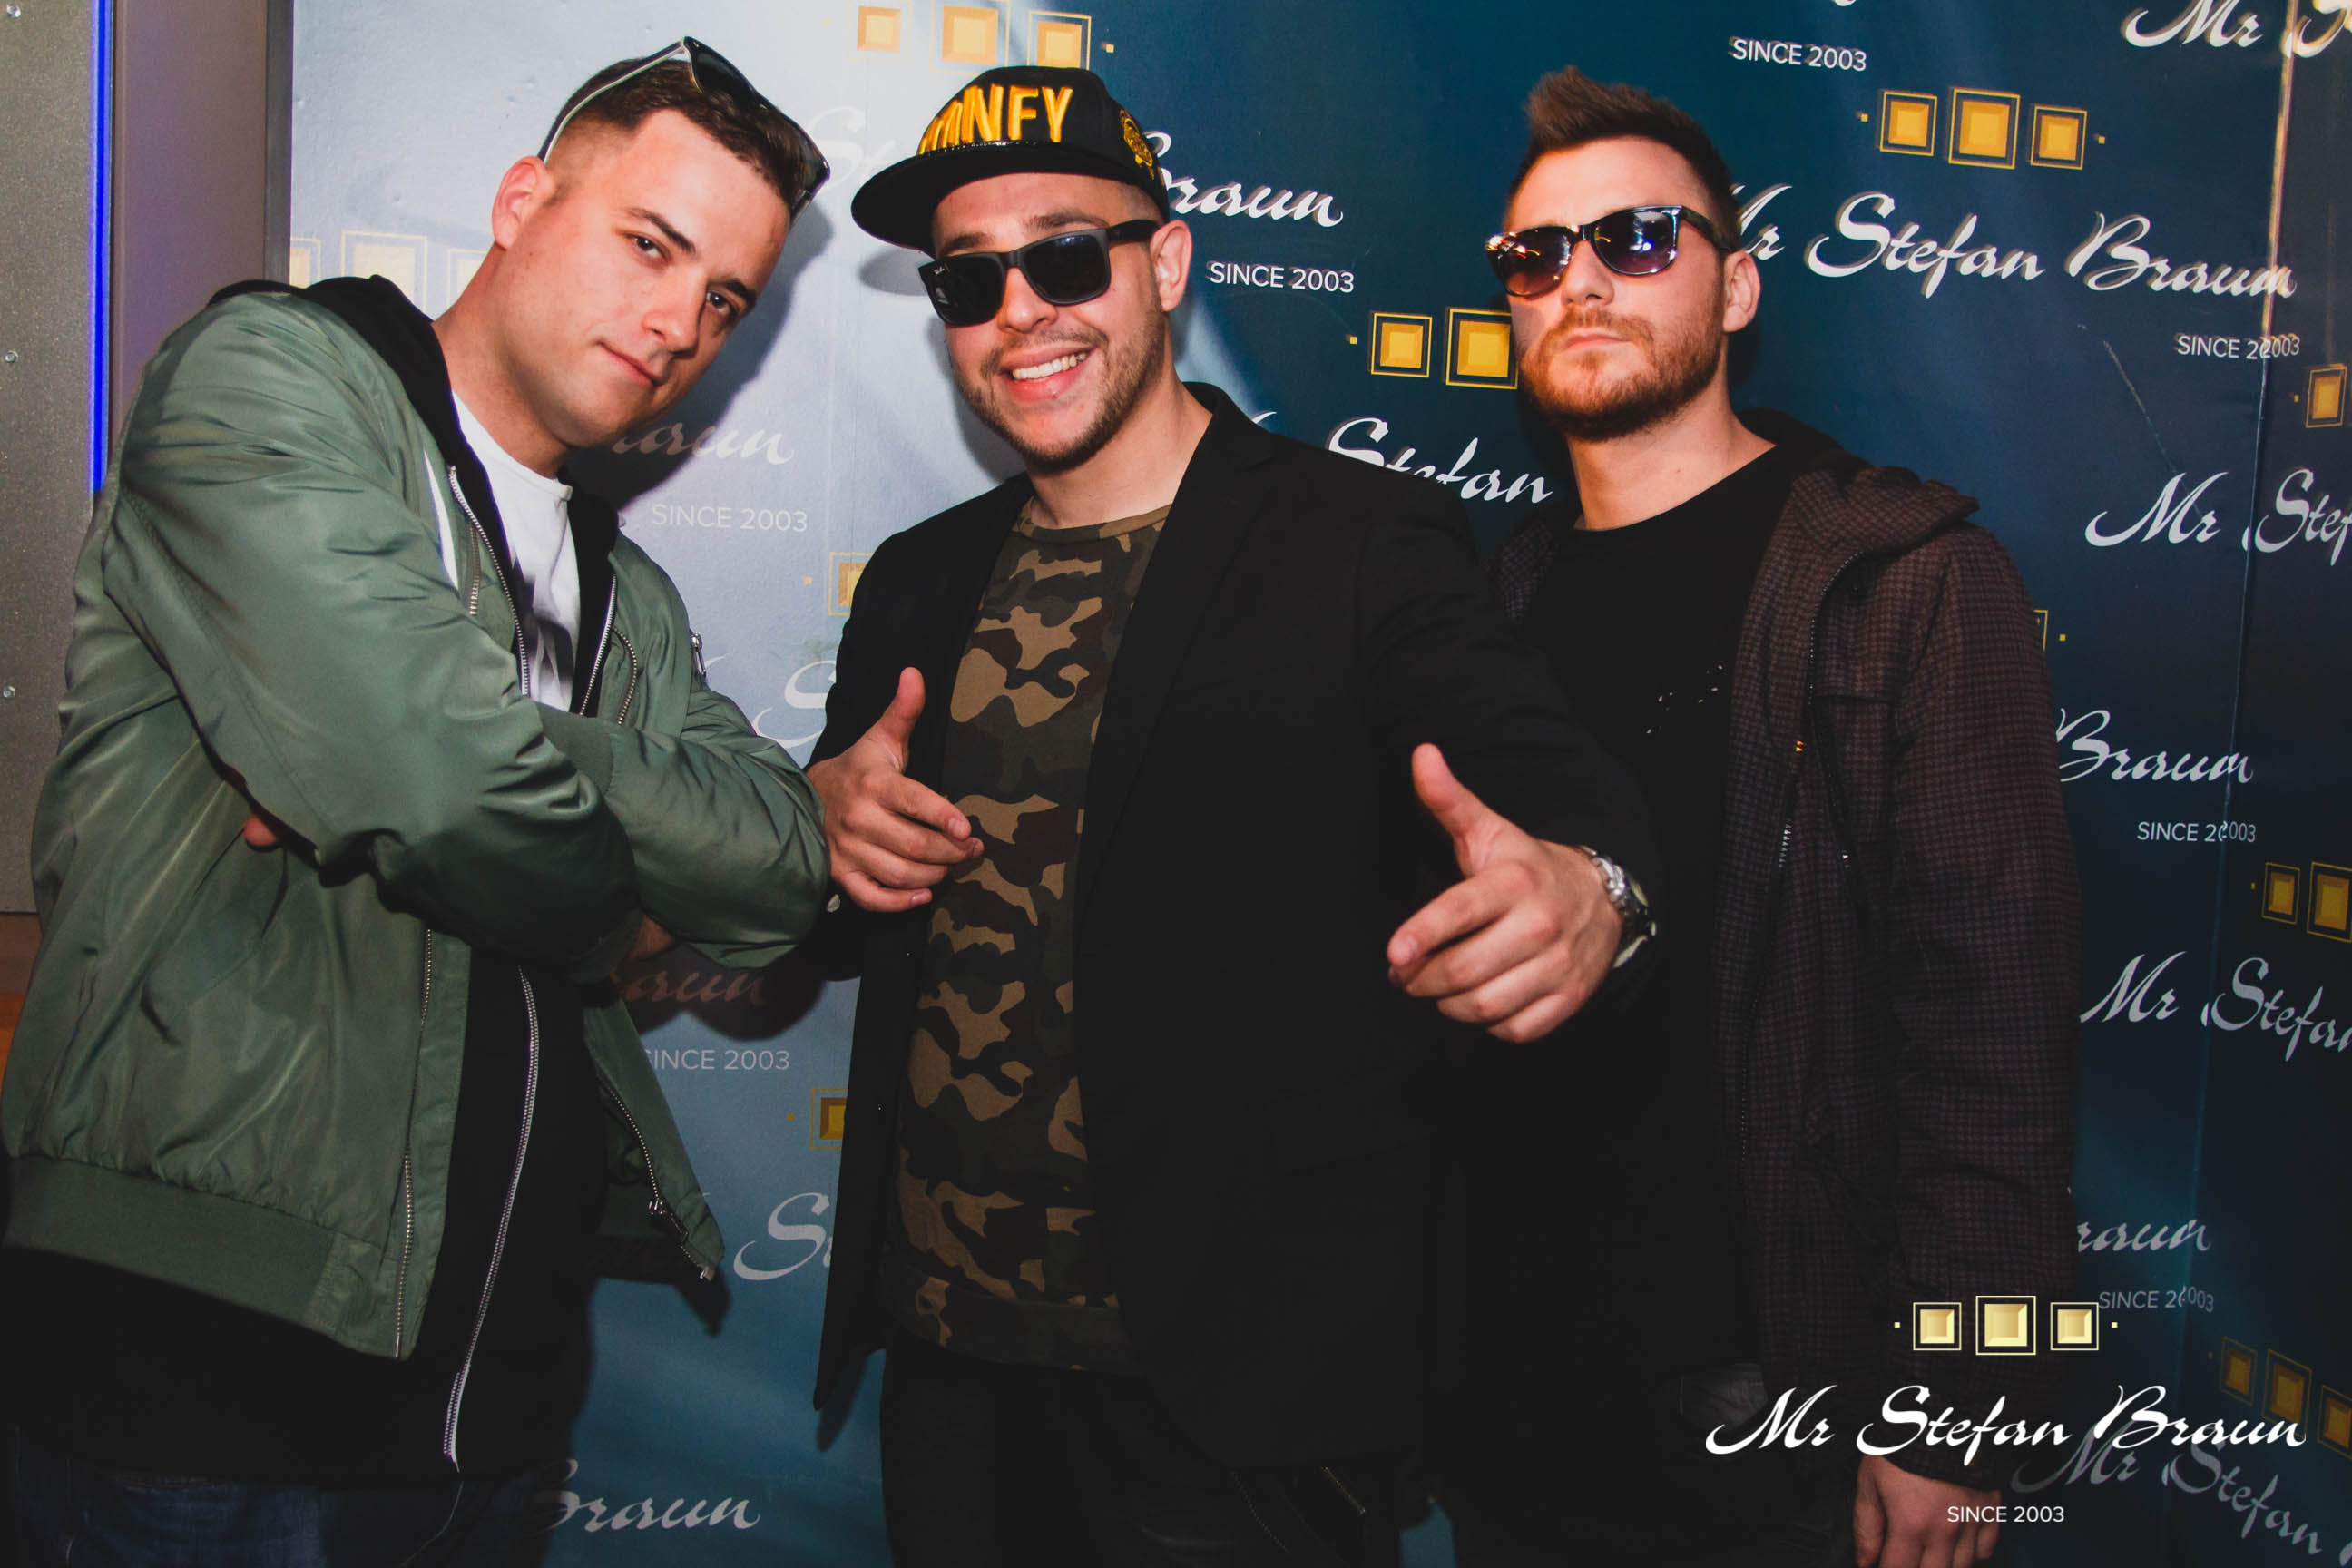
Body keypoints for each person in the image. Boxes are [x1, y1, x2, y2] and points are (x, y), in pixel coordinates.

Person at [809, 64, 1657, 1568]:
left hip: (1239, 1407)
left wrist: (1593, 889)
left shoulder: (1363, 541)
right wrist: (813, 826)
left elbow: (1563, 795)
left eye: (1068, 257)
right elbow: (826, 904)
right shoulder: (917, 578)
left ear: (1167, 264)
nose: (1022, 312)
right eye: (970, 280)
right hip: (950, 1363)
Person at [1, 39, 829, 1564]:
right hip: (202, 1386)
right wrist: (606, 885)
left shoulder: (627, 594)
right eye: (650, 245)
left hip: (495, 1405)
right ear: (522, 203)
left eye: (724, 298)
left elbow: (783, 869)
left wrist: (472, 743)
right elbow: (441, 792)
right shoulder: (271, 378)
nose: (677, 323)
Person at [1434, 68, 2080, 1568]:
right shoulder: (1492, 599)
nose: (1581, 280)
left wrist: (1966, 1408)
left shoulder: (1906, 583)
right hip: (1515, 1397)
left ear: (1735, 289)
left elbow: (1998, 1040)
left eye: (1638, 239)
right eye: (1537, 255)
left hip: (1784, 1411)